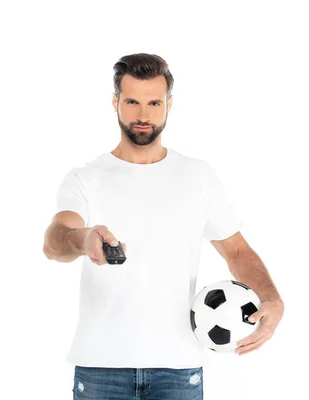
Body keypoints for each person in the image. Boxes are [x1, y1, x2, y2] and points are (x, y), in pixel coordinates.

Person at [42, 53, 285, 400]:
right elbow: (54, 242)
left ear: (169, 104)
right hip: (100, 369)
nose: (144, 115)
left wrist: (272, 298)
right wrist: (83, 239)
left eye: (154, 102)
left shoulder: (198, 177)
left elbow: (237, 251)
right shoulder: (85, 179)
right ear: (115, 102)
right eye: (132, 102)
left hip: (178, 369)